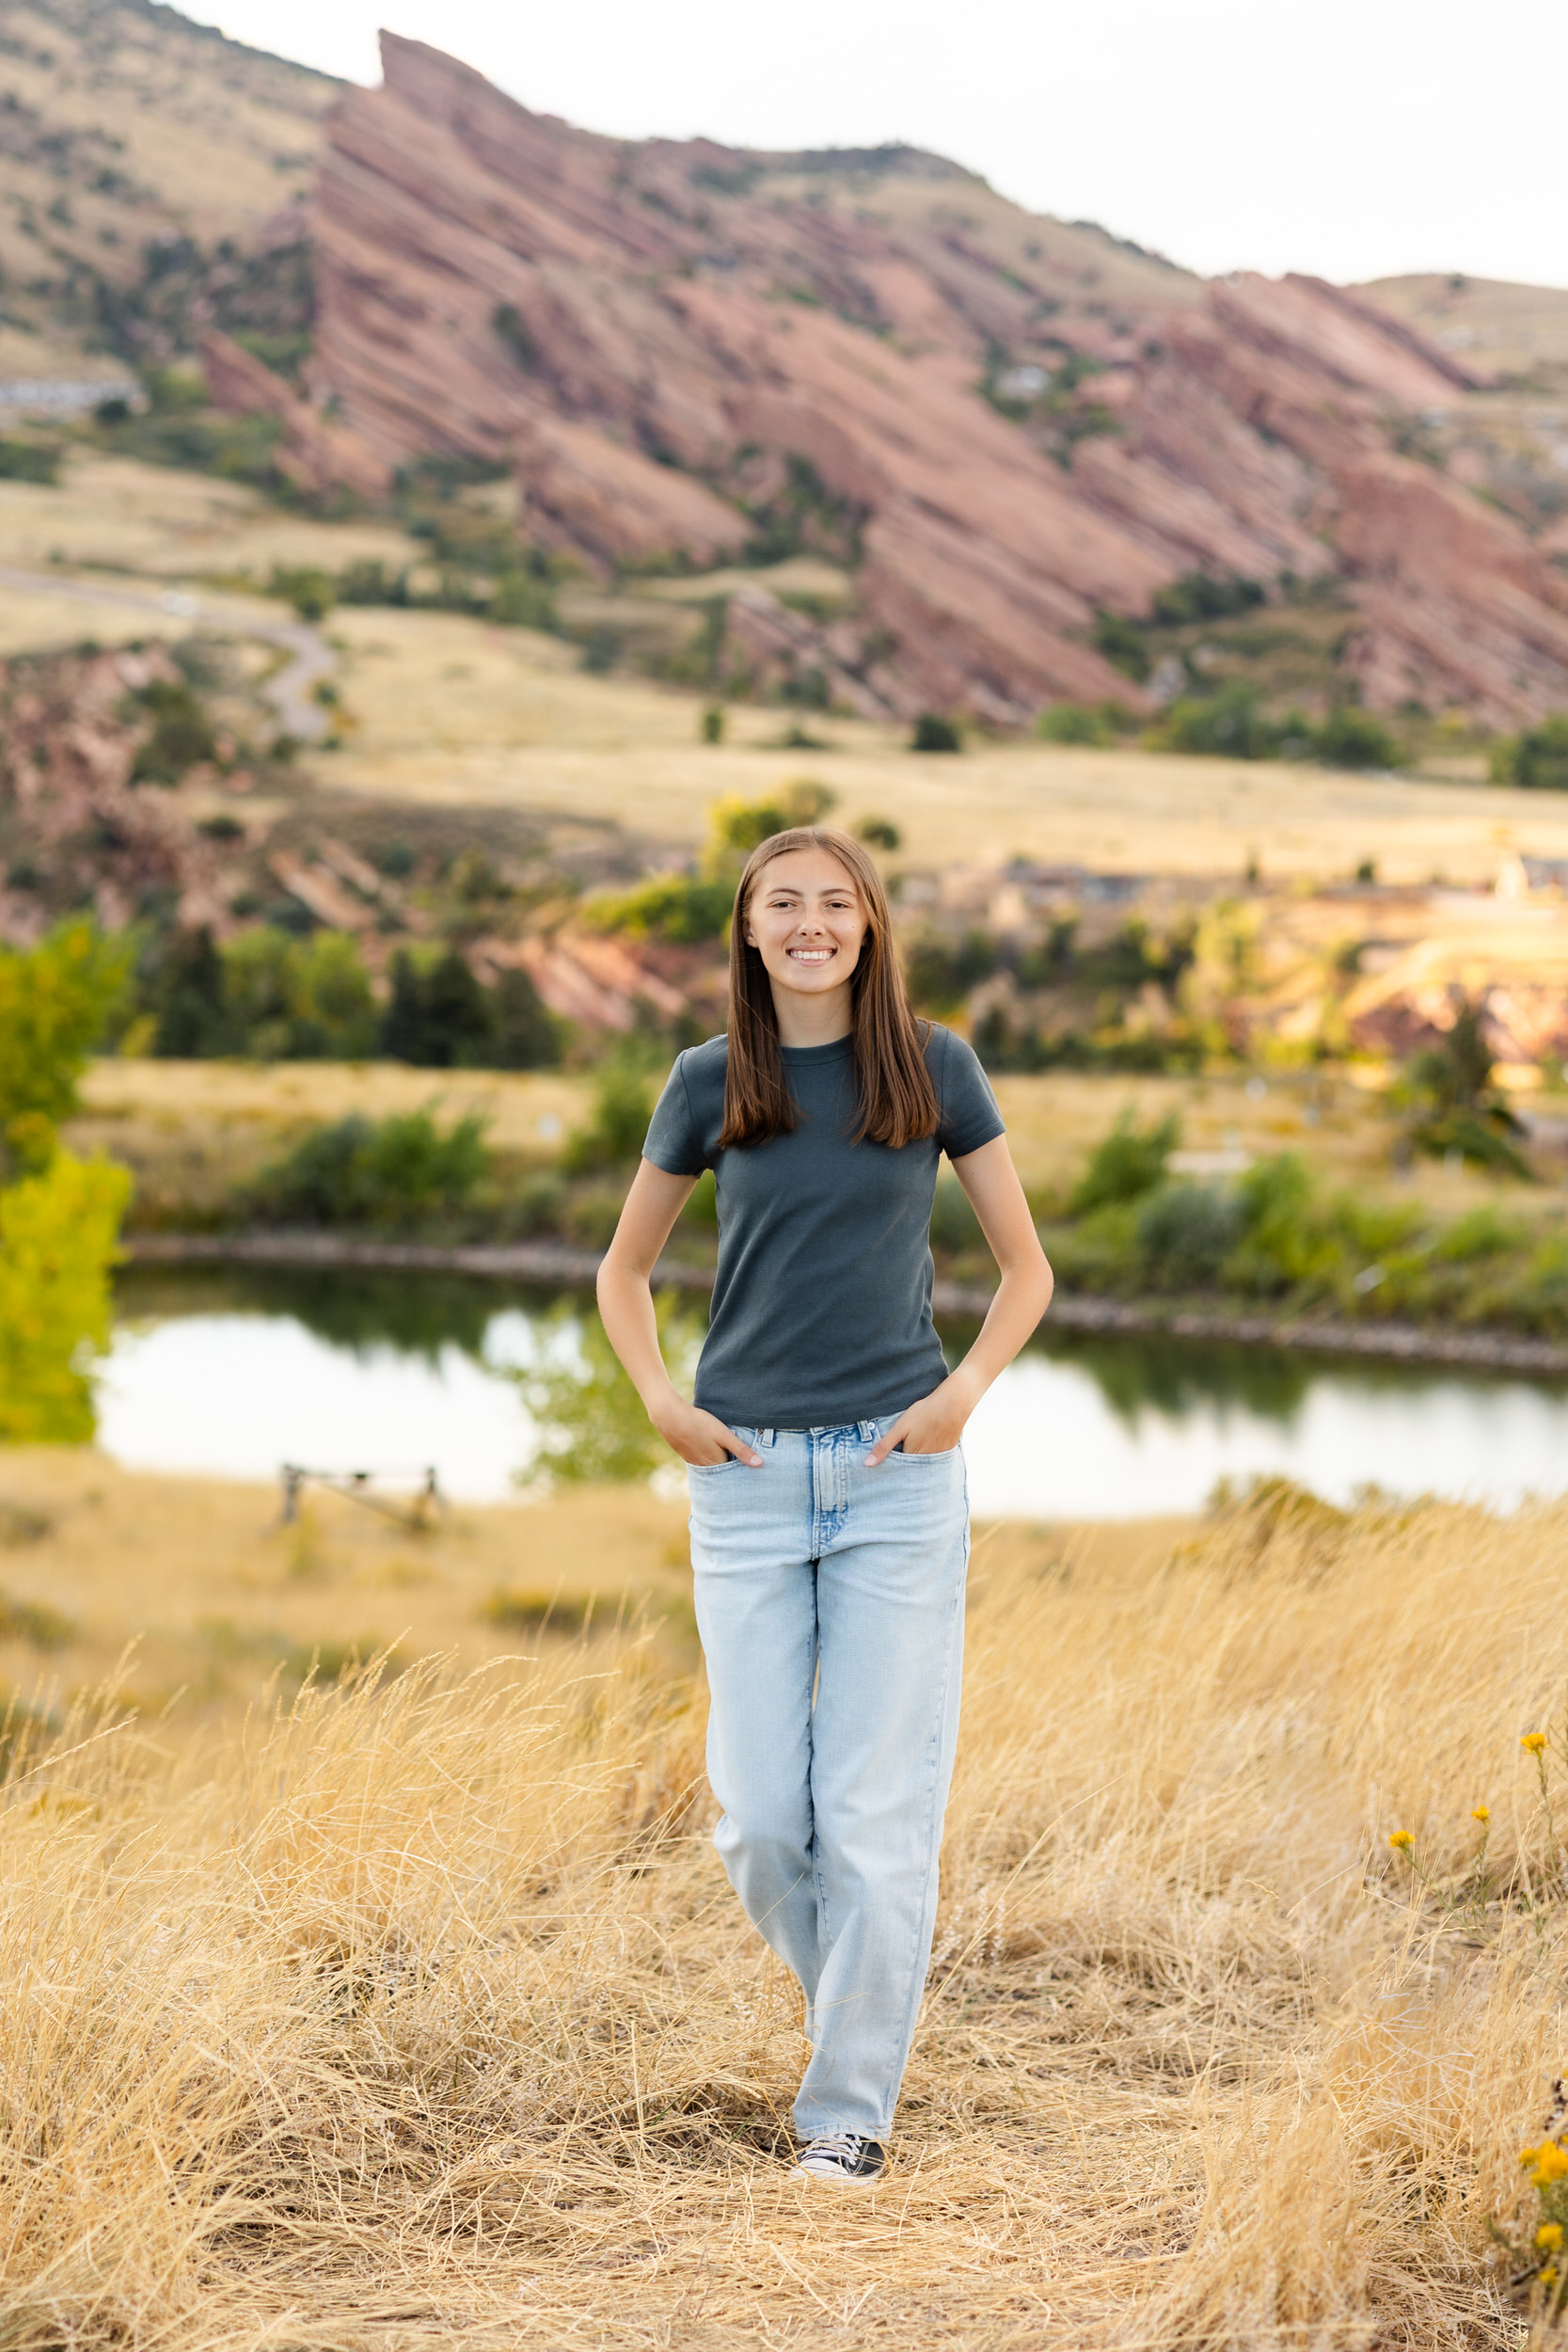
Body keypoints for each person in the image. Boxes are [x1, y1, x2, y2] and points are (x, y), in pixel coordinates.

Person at [596, 826, 1053, 2186]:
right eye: (782, 904)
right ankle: (869, 1998)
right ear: (748, 931)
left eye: (834, 904)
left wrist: (962, 1394)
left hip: (895, 1476)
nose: (810, 924)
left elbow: (1025, 1272)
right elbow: (623, 1272)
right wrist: (661, 1405)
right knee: (757, 1820)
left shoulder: (933, 1065)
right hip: (740, 1478)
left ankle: (846, 2113)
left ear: (869, 925)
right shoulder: (707, 1082)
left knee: (872, 1816)